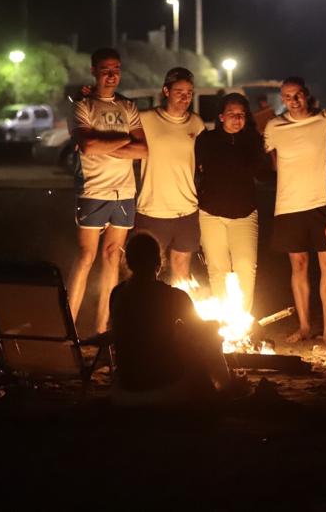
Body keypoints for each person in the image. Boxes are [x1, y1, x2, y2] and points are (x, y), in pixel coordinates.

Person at [65, 48, 148, 335]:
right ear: (94, 71)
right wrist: (123, 139)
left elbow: (143, 150)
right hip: (93, 190)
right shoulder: (82, 106)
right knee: (86, 256)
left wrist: (106, 142)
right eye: (105, 69)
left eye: (116, 69)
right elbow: (88, 146)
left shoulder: (128, 107)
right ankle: (69, 327)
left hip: (124, 192)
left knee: (113, 256)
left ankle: (103, 330)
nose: (112, 75)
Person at [263, 77, 326, 343]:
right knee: (298, 266)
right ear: (282, 99)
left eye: (297, 95)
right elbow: (271, 163)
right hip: (288, 206)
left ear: (307, 94)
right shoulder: (274, 126)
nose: (293, 101)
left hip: (322, 203)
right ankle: (305, 326)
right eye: (287, 96)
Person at [109, 233, 232, 402]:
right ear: (158, 264)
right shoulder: (175, 297)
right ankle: (224, 390)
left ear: (128, 263)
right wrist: (216, 324)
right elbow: (200, 330)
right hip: (162, 380)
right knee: (211, 336)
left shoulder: (117, 293)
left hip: (128, 380)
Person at [195, 93, 265, 315]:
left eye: (241, 115)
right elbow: (195, 170)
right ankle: (223, 322)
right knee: (218, 269)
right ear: (221, 117)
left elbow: (262, 173)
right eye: (232, 114)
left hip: (244, 213)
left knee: (246, 268)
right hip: (211, 213)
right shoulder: (207, 140)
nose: (237, 119)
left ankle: (242, 321)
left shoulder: (252, 141)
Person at [136, 67, 206, 283]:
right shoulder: (145, 119)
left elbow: (204, 162)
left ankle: (178, 315)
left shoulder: (196, 123)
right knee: (144, 272)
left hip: (186, 210)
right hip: (152, 209)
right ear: (166, 91)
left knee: (182, 271)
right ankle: (143, 314)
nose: (185, 97)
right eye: (179, 91)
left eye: (190, 92)